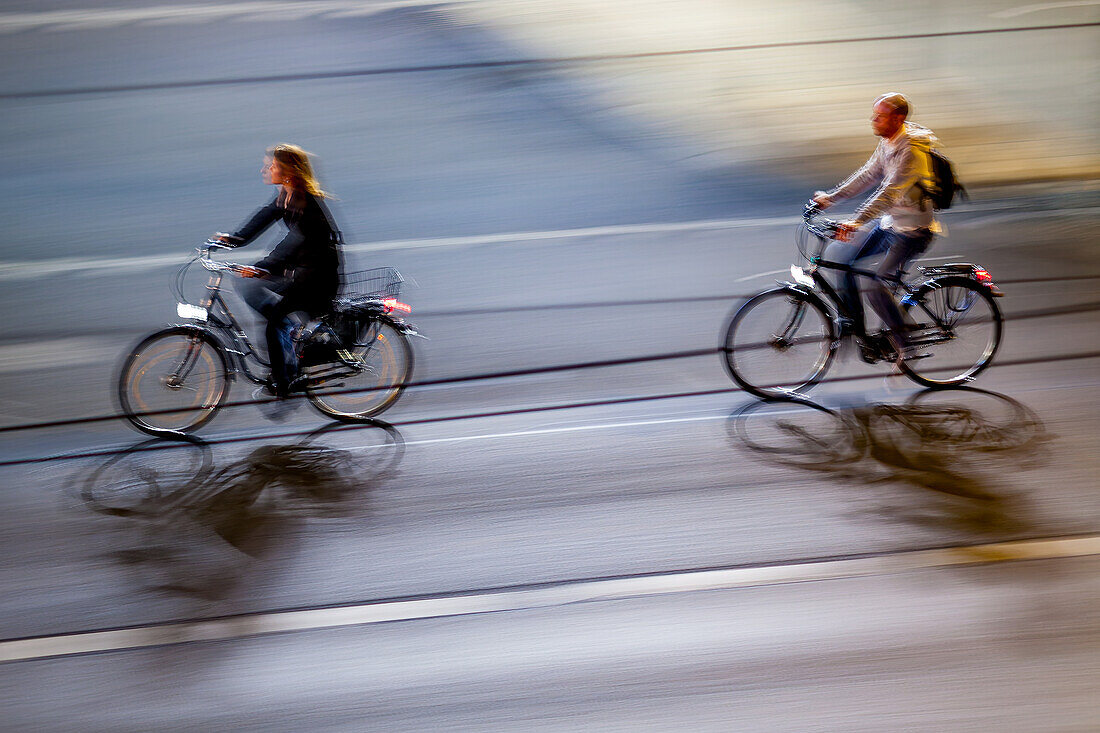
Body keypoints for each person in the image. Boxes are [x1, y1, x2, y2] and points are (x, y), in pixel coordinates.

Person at [812, 92, 939, 362]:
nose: (874, 120)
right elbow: (868, 175)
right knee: (843, 261)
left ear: (898, 118)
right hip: (891, 224)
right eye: (874, 115)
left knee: (876, 288)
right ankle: (855, 329)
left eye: (880, 116)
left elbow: (889, 193)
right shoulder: (888, 143)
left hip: (913, 231)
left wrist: (856, 220)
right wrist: (830, 199)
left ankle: (906, 346)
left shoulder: (911, 151)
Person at [217, 144, 343, 401]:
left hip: (318, 277)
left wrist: (263, 267)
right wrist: (230, 240)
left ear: (286, 171)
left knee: (273, 320)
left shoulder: (303, 201)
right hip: (302, 270)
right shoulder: (286, 195)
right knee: (247, 287)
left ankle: (284, 381)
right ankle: (287, 332)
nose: (264, 169)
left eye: (270, 165)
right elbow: (262, 219)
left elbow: (295, 243)